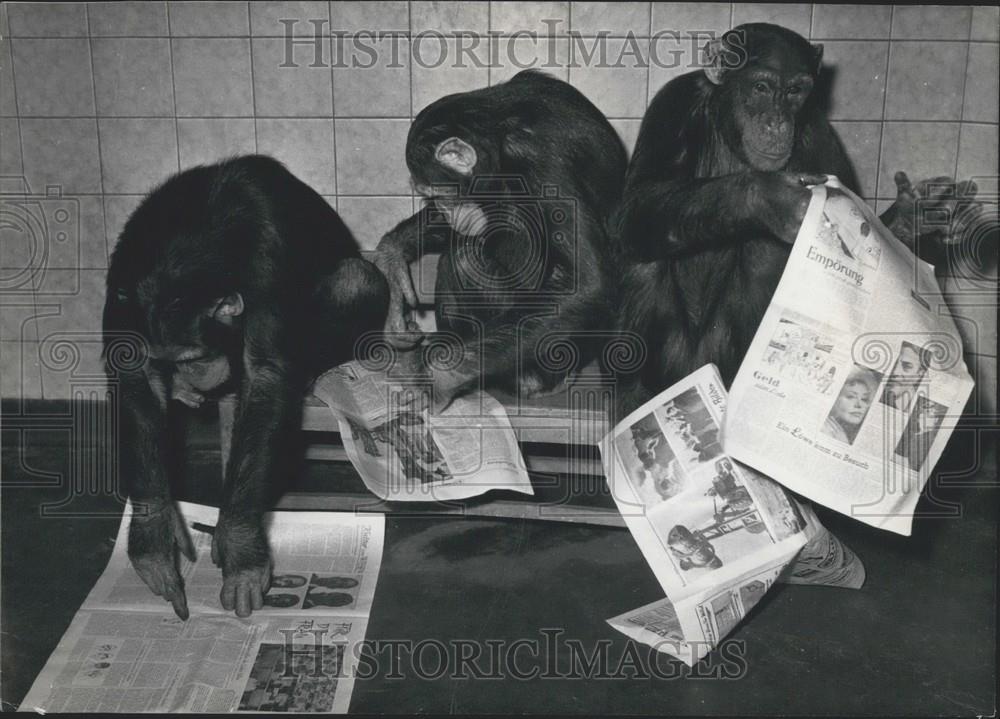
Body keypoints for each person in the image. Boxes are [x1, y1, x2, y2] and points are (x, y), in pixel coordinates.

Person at [822, 371, 877, 444]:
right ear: (834, 398)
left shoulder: (846, 435)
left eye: (864, 399)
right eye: (851, 397)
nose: (859, 405)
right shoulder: (825, 428)